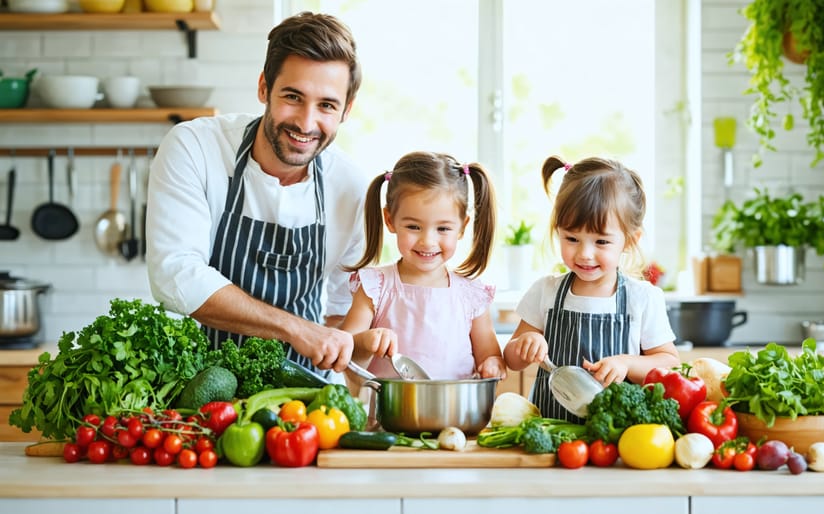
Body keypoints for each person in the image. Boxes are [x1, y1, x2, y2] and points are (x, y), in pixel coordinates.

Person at [145, 12, 366, 378]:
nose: (307, 123)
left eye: (327, 105)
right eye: (293, 97)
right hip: (204, 393)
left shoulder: (351, 185)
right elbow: (176, 275)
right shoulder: (195, 148)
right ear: (264, 88)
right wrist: (294, 329)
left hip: (308, 402)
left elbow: (343, 311)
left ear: (346, 110)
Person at [503, 155, 680, 422]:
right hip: (551, 434)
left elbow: (670, 363)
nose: (585, 254)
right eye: (572, 238)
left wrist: (626, 363)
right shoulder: (546, 291)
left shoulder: (641, 298)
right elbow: (512, 359)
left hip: (615, 442)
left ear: (630, 241)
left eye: (601, 242)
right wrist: (525, 345)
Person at [340, 151, 507, 381]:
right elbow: (344, 354)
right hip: (388, 416)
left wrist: (493, 366)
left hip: (456, 416)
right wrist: (366, 342)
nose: (428, 241)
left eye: (443, 229)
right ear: (390, 220)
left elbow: (490, 356)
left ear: (462, 227)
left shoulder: (471, 295)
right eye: (413, 227)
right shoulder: (375, 288)